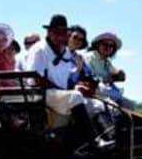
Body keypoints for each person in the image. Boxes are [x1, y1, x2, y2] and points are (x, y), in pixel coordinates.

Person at [27, 14, 110, 148]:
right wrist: (63, 90)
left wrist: (77, 80)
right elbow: (35, 79)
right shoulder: (39, 49)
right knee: (75, 96)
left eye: (64, 32)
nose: (61, 36)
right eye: (57, 32)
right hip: (41, 94)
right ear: (49, 32)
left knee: (96, 104)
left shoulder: (64, 51)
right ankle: (93, 141)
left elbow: (66, 75)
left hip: (60, 94)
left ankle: (109, 140)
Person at [84, 32, 134, 108]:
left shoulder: (106, 62)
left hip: (105, 93)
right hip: (93, 94)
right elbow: (89, 79)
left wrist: (118, 75)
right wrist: (106, 79)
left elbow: (121, 75)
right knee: (112, 108)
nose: (108, 47)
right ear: (98, 45)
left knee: (129, 105)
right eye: (105, 44)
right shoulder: (89, 58)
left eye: (111, 46)